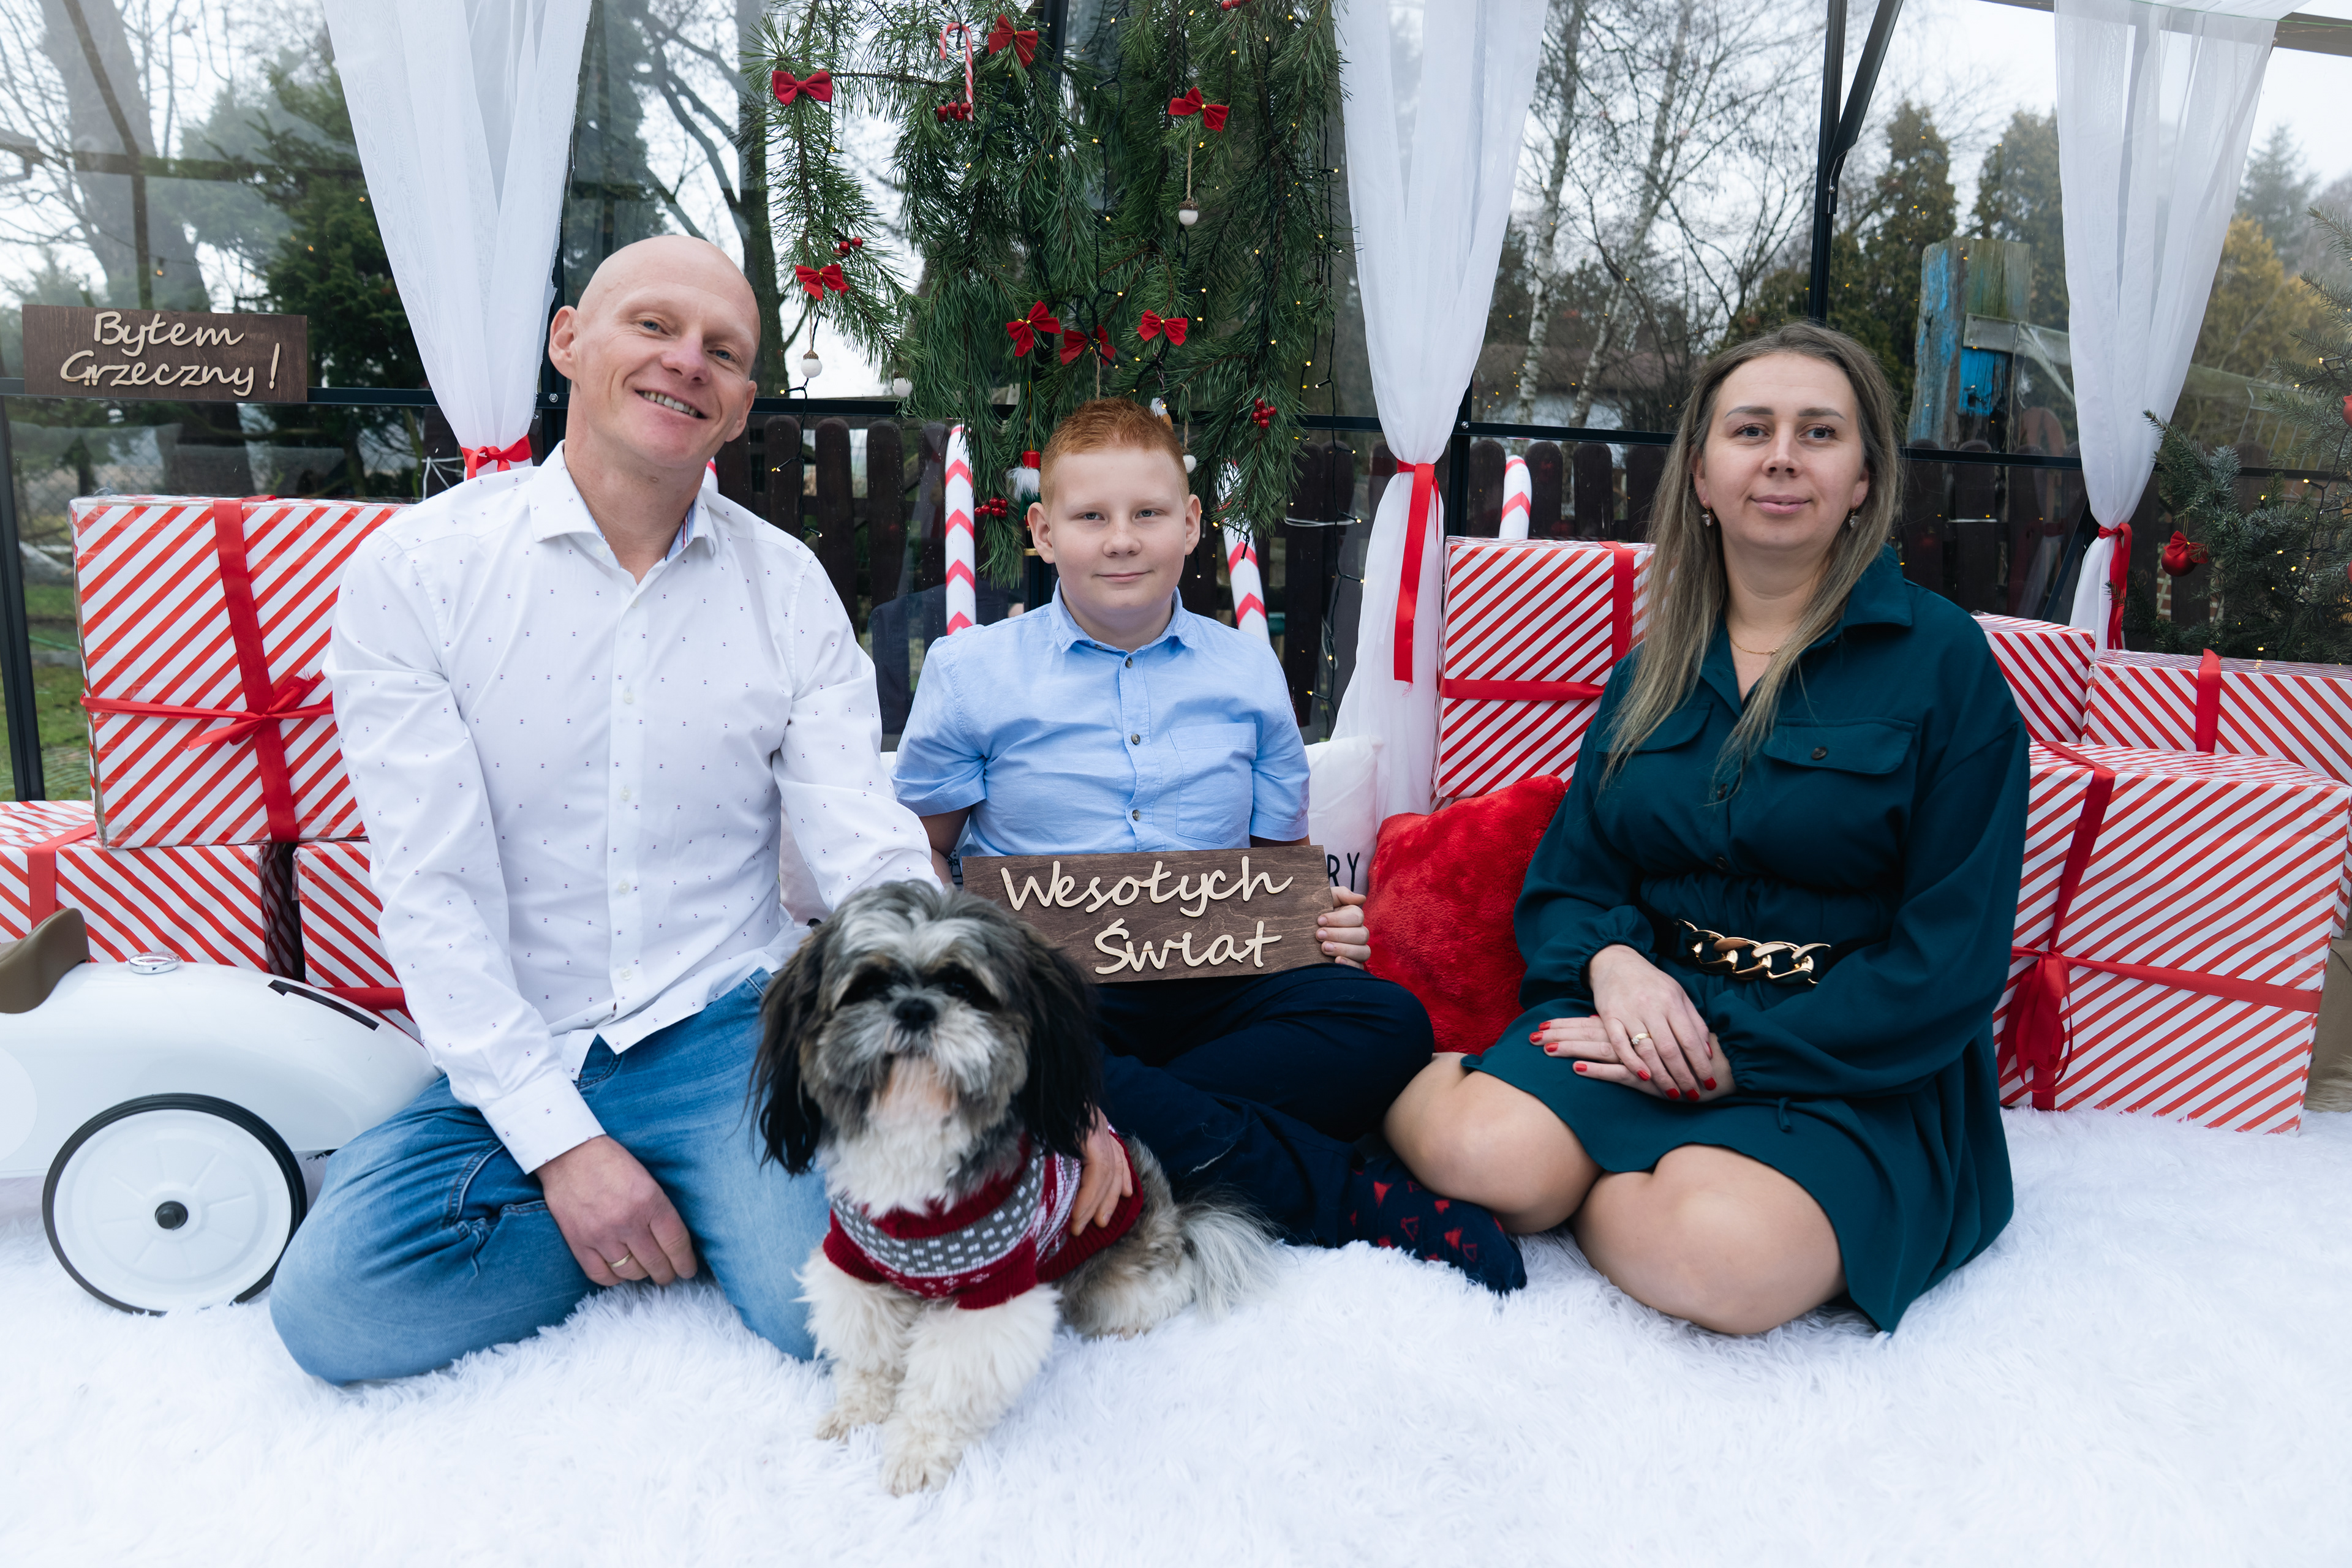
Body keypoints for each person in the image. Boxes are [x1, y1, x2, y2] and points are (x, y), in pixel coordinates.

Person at [269, 238, 1128, 1382]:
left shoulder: (787, 585)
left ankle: (693, 1206)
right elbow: (434, 890)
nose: (687, 362)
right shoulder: (421, 571)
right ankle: (659, 1210)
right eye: (654, 326)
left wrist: (1041, 1087)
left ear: (740, 406)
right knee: (340, 1312)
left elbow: (864, 845)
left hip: (728, 1027)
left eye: (723, 352)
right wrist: (562, 1148)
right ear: (568, 340)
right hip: (518, 1037)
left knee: (830, 1309)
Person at [1383, 322, 2025, 1333]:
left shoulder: (1946, 666)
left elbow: (1951, 955)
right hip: (1652, 1025)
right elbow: (1571, 882)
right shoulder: (1652, 671)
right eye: (1750, 429)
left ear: (1864, 480)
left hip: (1846, 1059)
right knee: (1482, 1152)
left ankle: (1604, 1183)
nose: (1782, 456)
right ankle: (1545, 1151)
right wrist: (1614, 969)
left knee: (1719, 1261)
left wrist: (1742, 1056)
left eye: (1820, 433)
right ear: (1701, 473)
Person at [890, 398, 1527, 1293]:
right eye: (1091, 516)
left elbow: (1280, 866)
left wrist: (1323, 919)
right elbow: (920, 850)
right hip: (1053, 992)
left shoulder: (1247, 669)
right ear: (1043, 533)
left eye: (1148, 513)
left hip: (1215, 981)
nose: (1122, 540)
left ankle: (1099, 1114)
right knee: (1003, 1050)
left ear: (1191, 524)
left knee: (1388, 1024)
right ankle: (1350, 1198)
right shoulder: (971, 675)